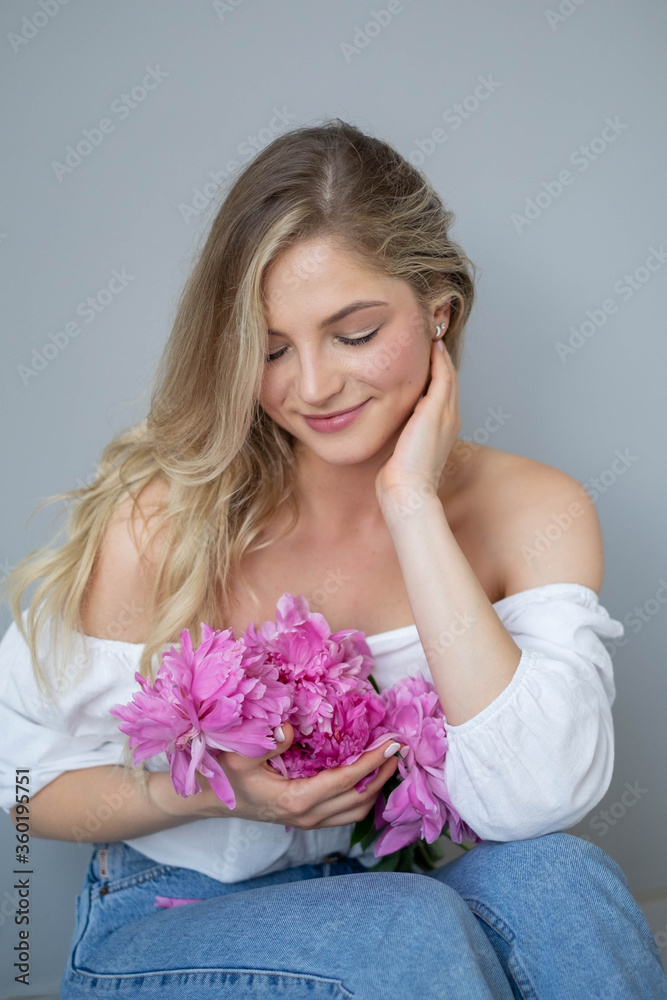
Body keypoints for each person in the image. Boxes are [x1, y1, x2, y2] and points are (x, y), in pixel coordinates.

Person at [1, 118, 665, 1000]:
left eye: (352, 333)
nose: (310, 387)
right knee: (405, 928)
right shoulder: (161, 522)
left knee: (563, 882)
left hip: (403, 894)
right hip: (172, 913)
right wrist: (213, 795)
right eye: (269, 349)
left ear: (438, 308)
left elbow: (533, 804)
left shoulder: (534, 513)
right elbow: (18, 786)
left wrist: (412, 506)